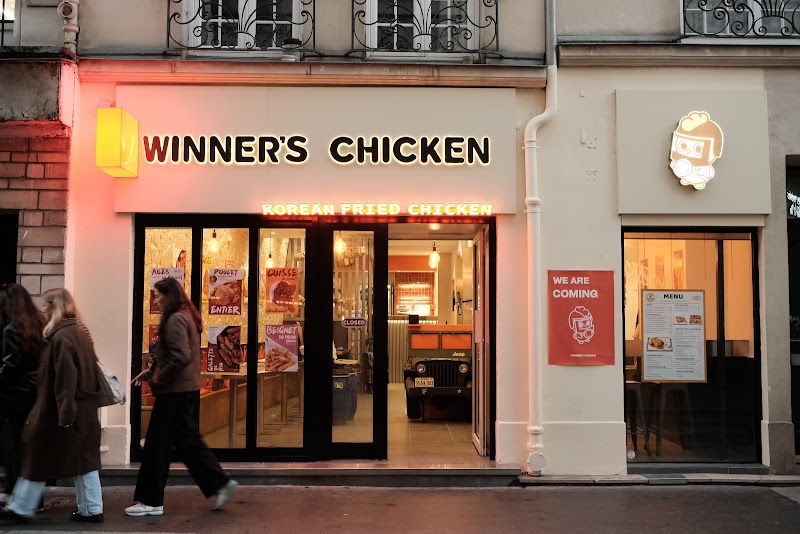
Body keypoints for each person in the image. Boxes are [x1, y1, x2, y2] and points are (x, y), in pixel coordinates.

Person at [127, 276, 237, 517]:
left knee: (157, 446)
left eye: (158, 295)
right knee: (188, 443)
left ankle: (151, 501)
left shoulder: (176, 318)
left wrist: (158, 378)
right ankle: (219, 483)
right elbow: (174, 354)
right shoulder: (185, 315)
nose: (155, 300)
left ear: (169, 296)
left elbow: (180, 356)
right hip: (183, 389)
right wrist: (150, 371)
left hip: (174, 391)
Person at [0, 288, 104, 523]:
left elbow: (65, 380)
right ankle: (91, 509)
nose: (43, 309)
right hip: (81, 410)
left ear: (56, 306)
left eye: (47, 305)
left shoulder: (62, 337)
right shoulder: (78, 331)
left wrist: (65, 416)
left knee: (36, 455)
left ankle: (21, 507)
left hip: (59, 411)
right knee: (83, 461)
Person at [0, 284, 44, 506]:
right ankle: (29, 497)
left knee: (12, 446)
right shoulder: (38, 323)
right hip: (33, 393)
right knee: (26, 446)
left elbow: (9, 367)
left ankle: (16, 494)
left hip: (13, 395)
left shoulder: (12, 328)